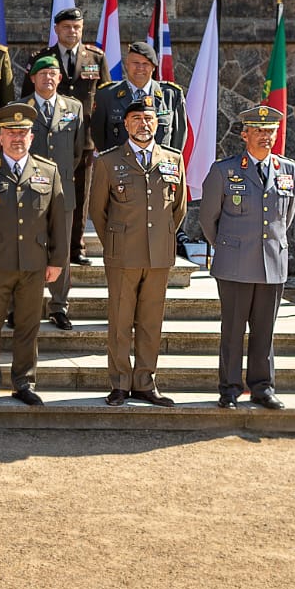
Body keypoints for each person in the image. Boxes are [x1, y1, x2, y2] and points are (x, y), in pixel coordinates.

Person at [0, 103, 72, 407]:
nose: (17, 138)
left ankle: (23, 382)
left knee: (28, 327)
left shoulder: (47, 172)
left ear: (32, 137)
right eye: (11, 132)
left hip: (34, 264)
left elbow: (58, 223)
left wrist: (56, 261)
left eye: (23, 132)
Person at [198, 106, 295, 410]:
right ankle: (229, 389)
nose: (265, 137)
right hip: (235, 265)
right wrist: (231, 247)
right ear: (245, 134)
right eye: (259, 130)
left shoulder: (289, 170)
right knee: (232, 330)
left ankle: (262, 387)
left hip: (272, 264)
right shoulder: (224, 170)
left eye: (270, 131)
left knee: (264, 330)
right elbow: (207, 219)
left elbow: (287, 216)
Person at [89, 97, 186, 406]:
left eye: (149, 120)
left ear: (156, 124)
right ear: (126, 124)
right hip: (123, 254)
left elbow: (179, 207)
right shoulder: (108, 161)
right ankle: (119, 383)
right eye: (136, 120)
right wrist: (116, 243)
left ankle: (145, 382)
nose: (143, 125)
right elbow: (97, 211)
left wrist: (161, 236)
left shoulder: (173, 159)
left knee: (151, 321)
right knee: (120, 321)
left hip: (158, 254)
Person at [35, 8, 107, 264]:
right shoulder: (44, 58)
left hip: (84, 141)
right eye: (66, 27)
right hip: (48, 138)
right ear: (56, 29)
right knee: (42, 193)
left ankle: (76, 248)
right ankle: (43, 244)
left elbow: (104, 100)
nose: (72, 31)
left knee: (79, 195)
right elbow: (27, 98)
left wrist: (101, 141)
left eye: (76, 27)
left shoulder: (96, 58)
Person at [24, 52, 86, 330]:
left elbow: (77, 152)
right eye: (42, 74)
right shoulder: (21, 108)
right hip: (26, 194)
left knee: (60, 251)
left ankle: (59, 306)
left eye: (52, 74)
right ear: (33, 78)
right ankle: (23, 306)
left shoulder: (74, 108)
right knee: (25, 249)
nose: (48, 78)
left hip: (62, 192)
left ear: (59, 78)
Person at [91, 40, 188, 155]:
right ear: (127, 64)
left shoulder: (171, 95)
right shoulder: (106, 95)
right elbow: (98, 136)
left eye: (145, 64)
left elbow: (179, 136)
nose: (140, 68)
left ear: (153, 67)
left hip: (159, 167)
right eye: (135, 63)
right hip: (119, 167)